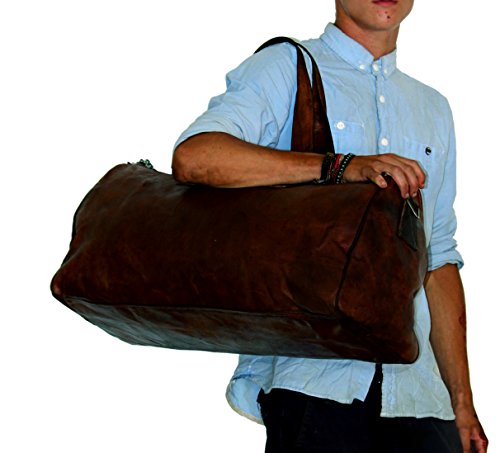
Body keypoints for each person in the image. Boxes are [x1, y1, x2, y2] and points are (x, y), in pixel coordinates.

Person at [172, 1, 488, 451]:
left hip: (420, 398)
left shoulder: (433, 108)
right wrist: (340, 167)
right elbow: (196, 157)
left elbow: (436, 258)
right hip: (314, 384)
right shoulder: (287, 67)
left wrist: (461, 403)